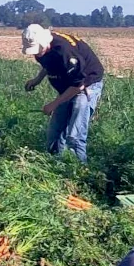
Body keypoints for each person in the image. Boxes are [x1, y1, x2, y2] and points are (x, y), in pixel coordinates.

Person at [22, 24, 104, 163]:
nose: (36, 54)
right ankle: (54, 165)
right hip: (68, 86)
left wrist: (53, 104)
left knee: (74, 136)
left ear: (44, 42)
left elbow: (78, 85)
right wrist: (37, 79)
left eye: (37, 49)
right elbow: (49, 64)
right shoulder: (42, 51)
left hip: (85, 85)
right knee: (54, 133)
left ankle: (80, 173)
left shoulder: (65, 52)